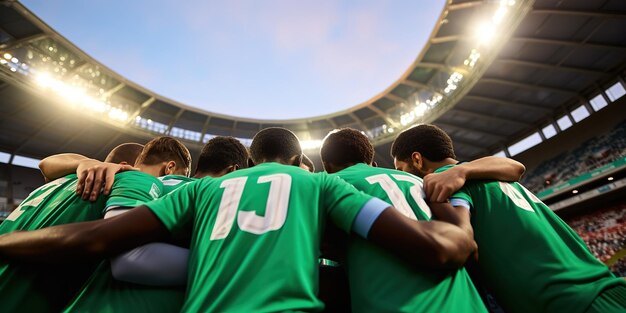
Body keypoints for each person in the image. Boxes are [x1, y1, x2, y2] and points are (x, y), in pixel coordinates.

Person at [0, 127, 476, 312]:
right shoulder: (319, 186)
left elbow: (94, 239)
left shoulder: (202, 189)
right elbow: (434, 249)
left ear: (250, 160)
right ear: (296, 161)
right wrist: (455, 214)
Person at [391, 124, 626, 313]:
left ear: (417, 159)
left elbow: (463, 248)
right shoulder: (492, 175)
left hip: (565, 302)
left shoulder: (444, 180)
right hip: (606, 289)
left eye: (401, 169)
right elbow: (516, 167)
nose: (401, 177)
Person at [64, 136, 249, 313]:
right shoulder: (208, 200)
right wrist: (231, 267)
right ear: (233, 171)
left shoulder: (125, 179)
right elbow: (128, 259)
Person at [321, 128, 487, 313]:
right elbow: (468, 246)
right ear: (372, 163)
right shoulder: (423, 181)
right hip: (465, 305)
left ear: (327, 166)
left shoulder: (329, 187)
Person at [0, 143, 142, 312]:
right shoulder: (122, 185)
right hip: (17, 294)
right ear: (124, 166)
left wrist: (85, 161)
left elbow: (45, 164)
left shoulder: (61, 178)